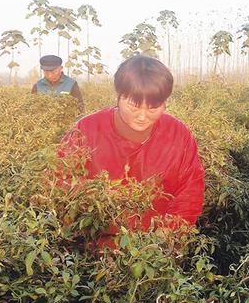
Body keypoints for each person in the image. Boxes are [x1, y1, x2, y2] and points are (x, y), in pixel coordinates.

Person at [58, 55, 205, 249]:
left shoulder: (178, 134)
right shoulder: (86, 130)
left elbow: (190, 189)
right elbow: (60, 180)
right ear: (118, 97)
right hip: (96, 247)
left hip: (158, 247)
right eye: (134, 106)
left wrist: (166, 234)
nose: (142, 116)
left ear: (164, 103)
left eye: (153, 108)